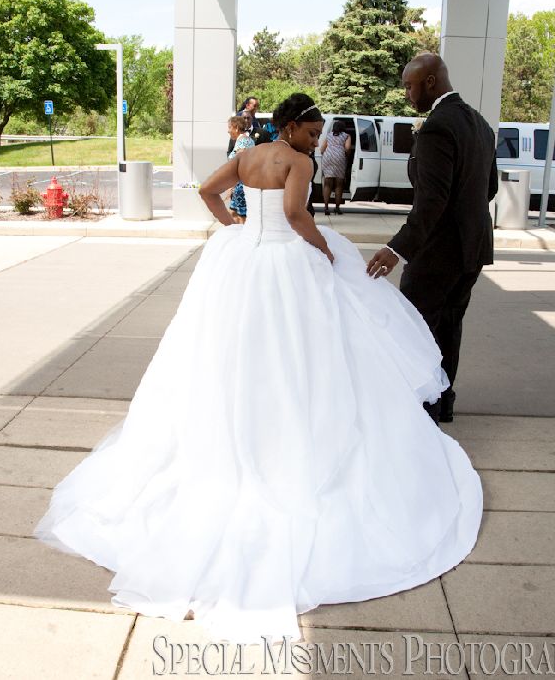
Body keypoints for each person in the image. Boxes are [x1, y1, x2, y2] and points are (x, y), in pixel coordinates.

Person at [34, 92, 483, 643]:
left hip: (245, 258)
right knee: (300, 354)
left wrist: (233, 228)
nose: (317, 143)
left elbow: (206, 189)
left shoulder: (247, 154)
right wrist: (323, 249)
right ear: (292, 127)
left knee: (233, 351)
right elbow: (296, 215)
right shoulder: (296, 163)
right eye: (312, 132)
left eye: (318, 137)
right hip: (288, 259)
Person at [367, 54, 498, 424]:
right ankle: (442, 399)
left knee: (415, 325)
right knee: (449, 324)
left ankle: (423, 405)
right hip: (472, 248)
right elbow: (489, 188)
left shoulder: (439, 126)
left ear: (429, 82)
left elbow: (432, 201)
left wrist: (397, 248)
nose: (406, 93)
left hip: (438, 252)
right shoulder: (480, 123)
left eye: (409, 85)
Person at [319, 119, 352, 215]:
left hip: (327, 158)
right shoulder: (346, 136)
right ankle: (337, 208)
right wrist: (347, 156)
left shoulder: (329, 135)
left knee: (327, 183)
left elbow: (322, 149)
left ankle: (326, 208)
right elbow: (347, 148)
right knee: (339, 184)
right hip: (339, 158)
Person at [226, 114, 254, 223]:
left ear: (236, 128)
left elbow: (238, 166)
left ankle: (243, 238)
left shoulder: (243, 142)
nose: (228, 131)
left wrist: (231, 187)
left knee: (243, 218)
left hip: (241, 186)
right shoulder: (245, 140)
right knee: (233, 213)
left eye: (229, 127)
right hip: (240, 184)